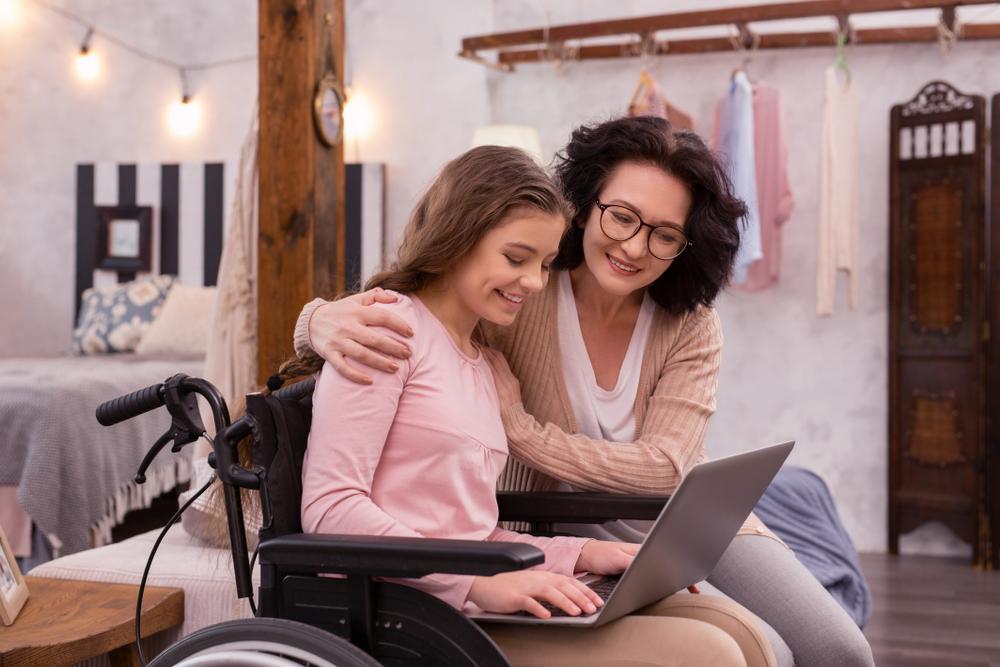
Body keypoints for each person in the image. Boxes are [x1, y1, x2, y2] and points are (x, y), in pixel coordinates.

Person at [294, 117, 875, 667]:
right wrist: (317, 323)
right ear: (586, 205)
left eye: (666, 234)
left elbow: (667, 468)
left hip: (670, 519)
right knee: (747, 644)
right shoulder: (512, 301)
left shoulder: (680, 324)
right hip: (551, 522)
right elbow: (412, 299)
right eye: (622, 216)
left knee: (828, 648)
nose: (634, 246)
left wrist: (519, 431)